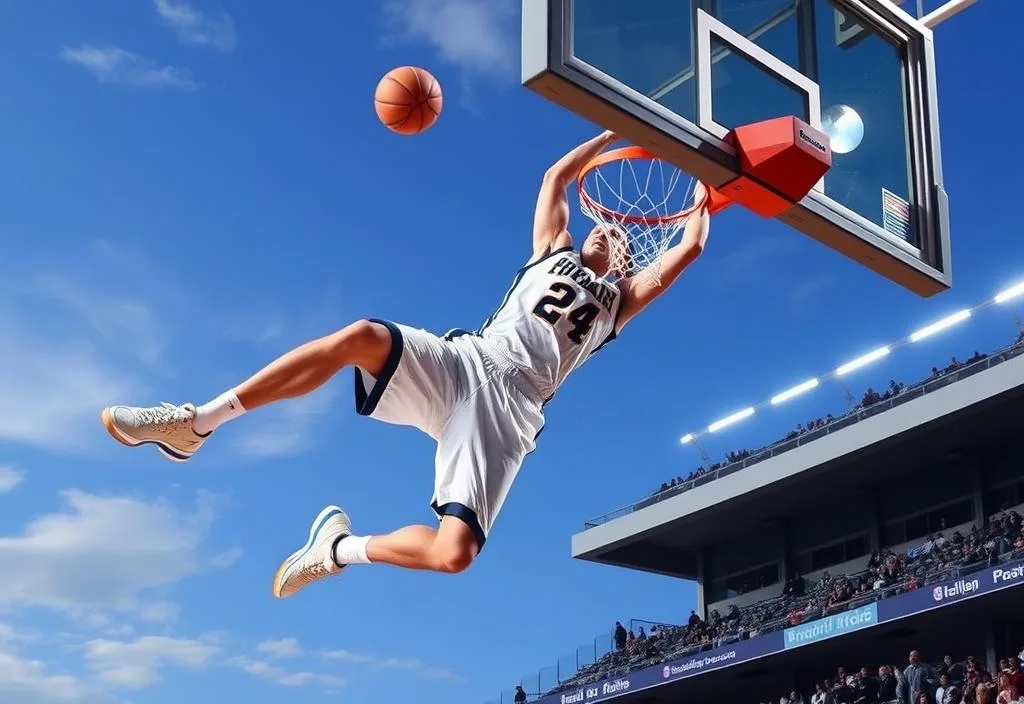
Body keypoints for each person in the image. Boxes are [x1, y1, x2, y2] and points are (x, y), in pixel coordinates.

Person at [99, 130, 713, 599]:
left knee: (455, 555)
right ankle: (196, 422)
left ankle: (338, 550)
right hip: (471, 361)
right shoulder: (551, 250)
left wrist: (706, 191)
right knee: (362, 335)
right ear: (585, 232)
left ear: (632, 258)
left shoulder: (616, 306)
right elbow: (556, 175)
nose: (610, 236)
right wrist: (619, 134)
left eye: (623, 240)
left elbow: (689, 248)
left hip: (513, 412)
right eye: (603, 227)